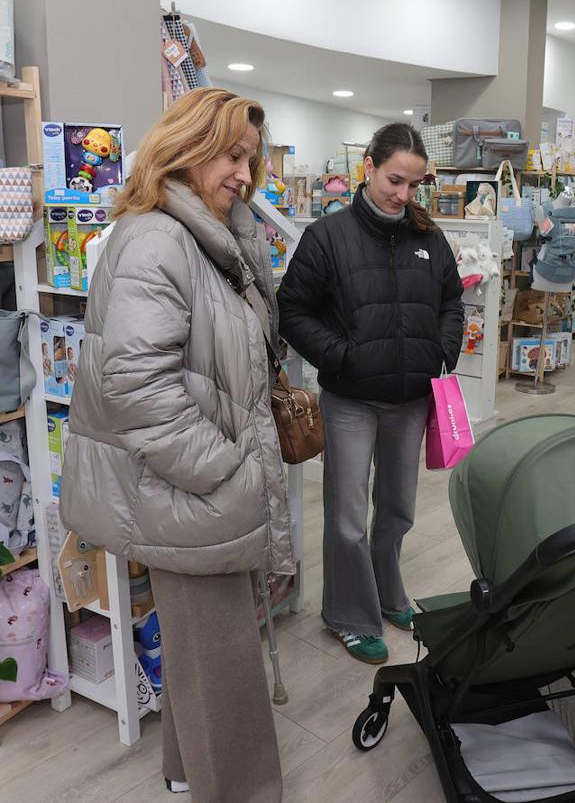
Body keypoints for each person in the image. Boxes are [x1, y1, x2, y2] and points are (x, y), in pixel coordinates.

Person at [60, 88, 293, 803]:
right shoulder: (158, 240)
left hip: (193, 485)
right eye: (231, 155)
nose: (244, 175)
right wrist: (228, 475)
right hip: (191, 487)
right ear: (187, 148)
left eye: (251, 159)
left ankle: (185, 770)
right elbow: (137, 388)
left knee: (201, 650)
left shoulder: (211, 236)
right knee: (223, 663)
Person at [277, 123, 464, 665]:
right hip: (351, 401)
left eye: (413, 184)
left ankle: (388, 593)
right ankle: (349, 615)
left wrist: (441, 350)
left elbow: (452, 301)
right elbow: (293, 311)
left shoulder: (428, 238)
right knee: (346, 515)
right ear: (368, 168)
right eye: (394, 180)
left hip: (411, 400)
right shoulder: (327, 238)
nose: (402, 194)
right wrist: (342, 356)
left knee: (398, 510)